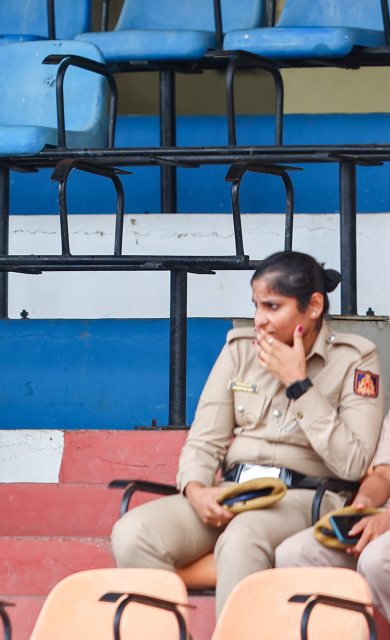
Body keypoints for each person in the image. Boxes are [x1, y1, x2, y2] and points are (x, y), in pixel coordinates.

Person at [110, 252, 382, 612]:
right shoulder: (240, 351)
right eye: (256, 306)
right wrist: (195, 490)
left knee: (242, 538)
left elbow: (354, 463)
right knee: (134, 533)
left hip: (306, 494)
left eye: (272, 306)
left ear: (313, 305)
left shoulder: (355, 359)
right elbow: (204, 440)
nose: (260, 320)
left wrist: (298, 384)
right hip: (234, 490)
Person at [275, 406, 390, 615]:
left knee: (377, 559)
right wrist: (362, 506)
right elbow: (384, 475)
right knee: (295, 554)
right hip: (381, 517)